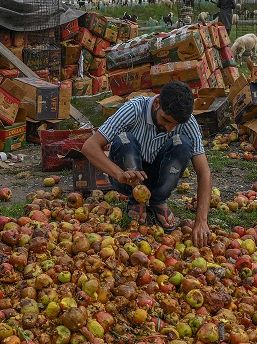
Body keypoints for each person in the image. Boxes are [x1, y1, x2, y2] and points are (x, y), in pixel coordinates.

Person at [80, 81, 213, 248]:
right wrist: (118, 174)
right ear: (157, 103)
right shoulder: (134, 109)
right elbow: (89, 146)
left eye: (175, 124)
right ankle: (137, 200)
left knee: (184, 143)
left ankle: (158, 201)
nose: (169, 128)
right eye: (166, 120)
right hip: (128, 177)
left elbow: (204, 172)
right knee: (124, 139)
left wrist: (201, 221)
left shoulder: (188, 122)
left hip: (159, 175)